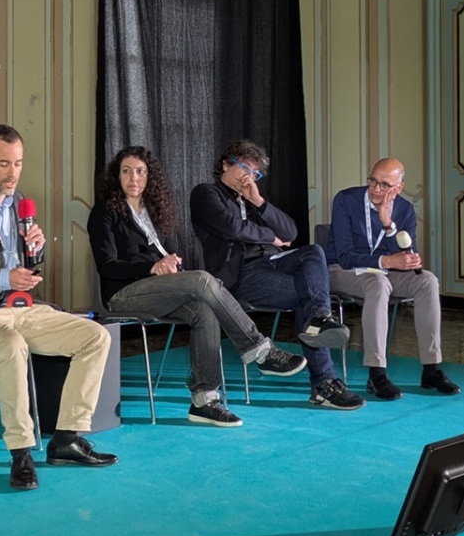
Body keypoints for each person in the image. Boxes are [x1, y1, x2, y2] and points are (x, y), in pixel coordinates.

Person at [0, 125, 118, 491]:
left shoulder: (20, 203)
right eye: (4, 163)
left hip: (23, 307)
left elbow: (26, 266)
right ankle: (20, 452)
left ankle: (67, 439)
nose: (13, 172)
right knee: (12, 345)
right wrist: (5, 277)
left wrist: (36, 250)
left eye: (18, 163)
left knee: (95, 337)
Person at [88, 146, 305, 428]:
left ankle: (205, 400)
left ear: (149, 176)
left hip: (160, 289)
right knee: (203, 279)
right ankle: (260, 350)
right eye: (126, 171)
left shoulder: (156, 212)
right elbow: (107, 266)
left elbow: (170, 254)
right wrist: (152, 267)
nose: (134, 178)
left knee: (204, 310)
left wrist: (170, 266)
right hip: (123, 293)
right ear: (116, 176)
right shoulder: (105, 212)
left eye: (140, 171)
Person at [189, 139, 361, 410]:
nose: (248, 177)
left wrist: (258, 201)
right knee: (308, 295)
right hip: (241, 274)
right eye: (244, 167)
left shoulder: (252, 200)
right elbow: (232, 227)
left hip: (272, 263)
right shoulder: (206, 194)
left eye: (255, 173)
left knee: (313, 252)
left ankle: (319, 318)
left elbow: (291, 232)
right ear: (226, 165)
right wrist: (271, 236)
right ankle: (324, 383)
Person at [326, 158, 460, 401]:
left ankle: (431, 368)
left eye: (385, 185)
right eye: (373, 181)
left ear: (399, 188)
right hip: (343, 271)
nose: (376, 189)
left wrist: (388, 225)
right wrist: (386, 261)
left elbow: (406, 254)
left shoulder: (405, 209)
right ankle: (376, 373)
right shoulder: (346, 199)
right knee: (378, 283)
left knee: (428, 281)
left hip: (385, 273)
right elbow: (345, 257)